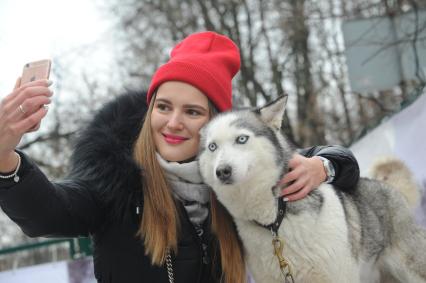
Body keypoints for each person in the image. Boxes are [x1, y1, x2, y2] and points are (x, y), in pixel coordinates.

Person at [0, 31, 359, 283]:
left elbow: (341, 164)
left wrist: (323, 166)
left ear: (214, 123)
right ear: (150, 108)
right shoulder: (115, 179)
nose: (173, 123)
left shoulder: (238, 175)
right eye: (164, 106)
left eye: (192, 112)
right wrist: (4, 155)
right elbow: (49, 213)